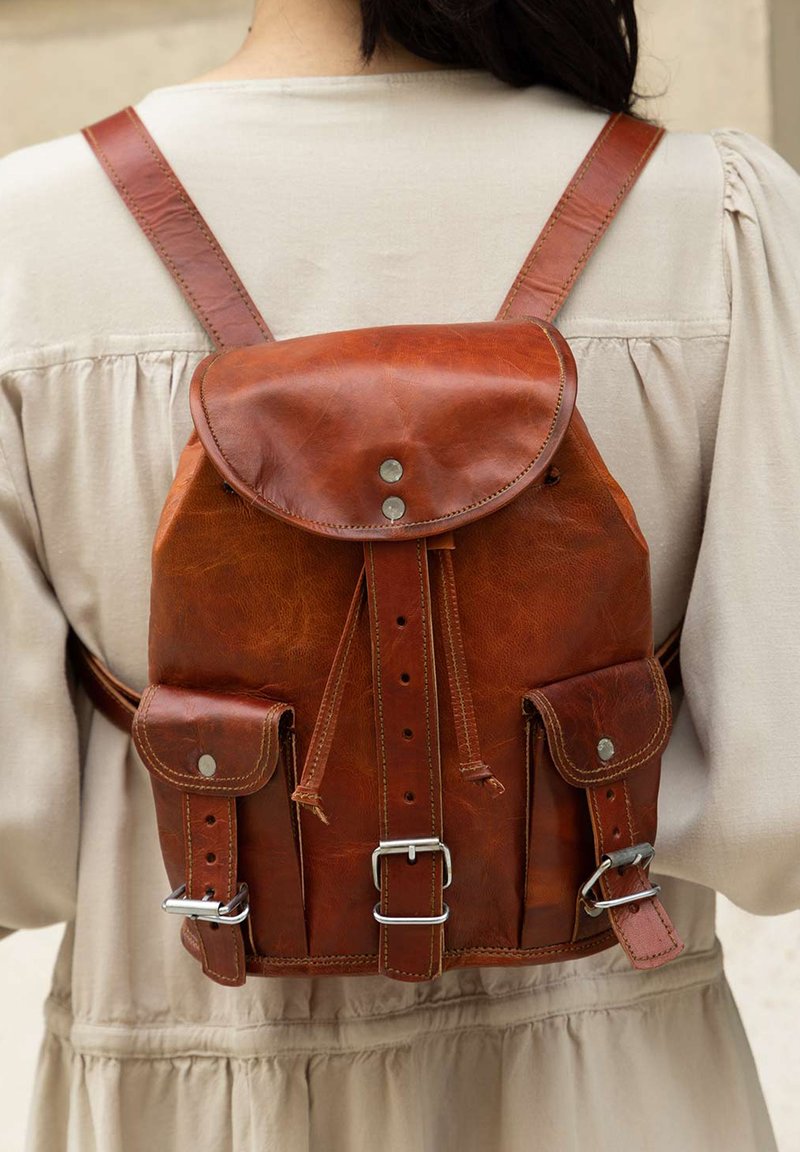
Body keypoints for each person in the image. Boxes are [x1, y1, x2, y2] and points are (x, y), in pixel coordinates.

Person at [1, 1, 798, 1149]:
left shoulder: (27, 242)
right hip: (612, 1082)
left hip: (196, 1080)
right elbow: (772, 814)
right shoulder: (712, 222)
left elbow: (15, 839)